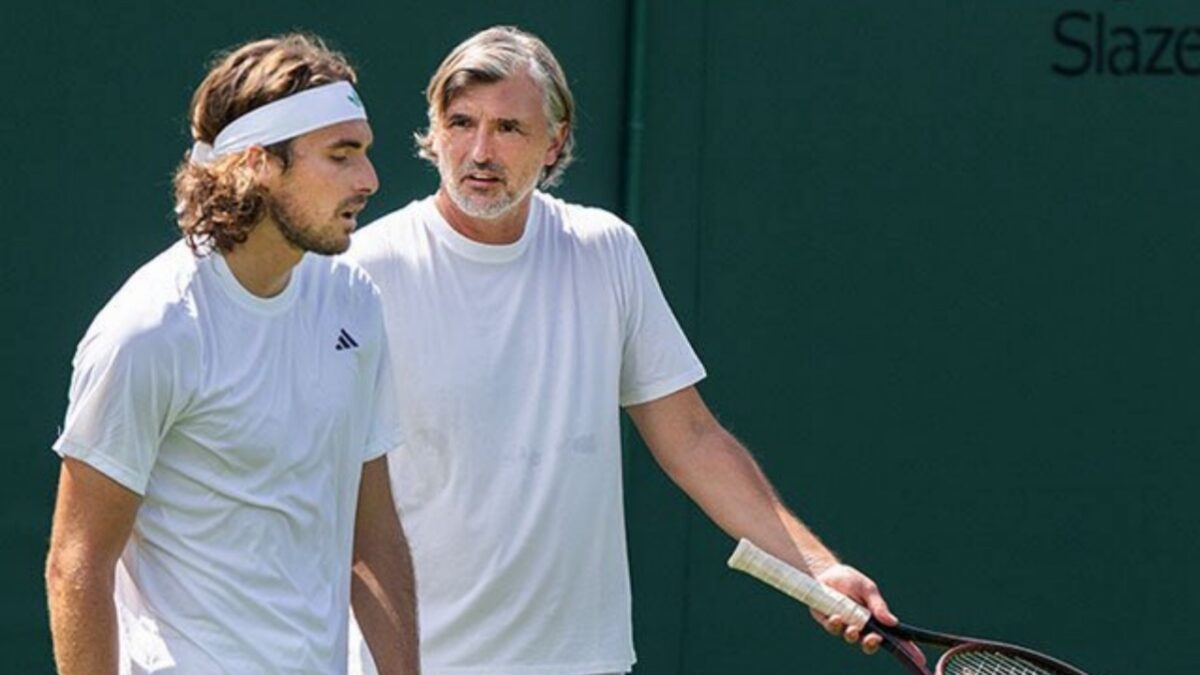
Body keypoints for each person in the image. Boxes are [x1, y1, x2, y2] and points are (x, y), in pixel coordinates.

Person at [347, 25, 915, 675]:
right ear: (435, 129)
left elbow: (692, 439)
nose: (479, 150)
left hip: (582, 661)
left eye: (508, 128)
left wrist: (818, 567)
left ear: (555, 140)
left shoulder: (605, 251)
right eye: (461, 122)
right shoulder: (366, 270)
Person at [45, 34, 419, 675]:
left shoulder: (353, 300)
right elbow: (77, 565)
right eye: (341, 155)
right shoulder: (149, 330)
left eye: (364, 152)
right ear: (255, 164)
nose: (369, 179)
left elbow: (374, 536)